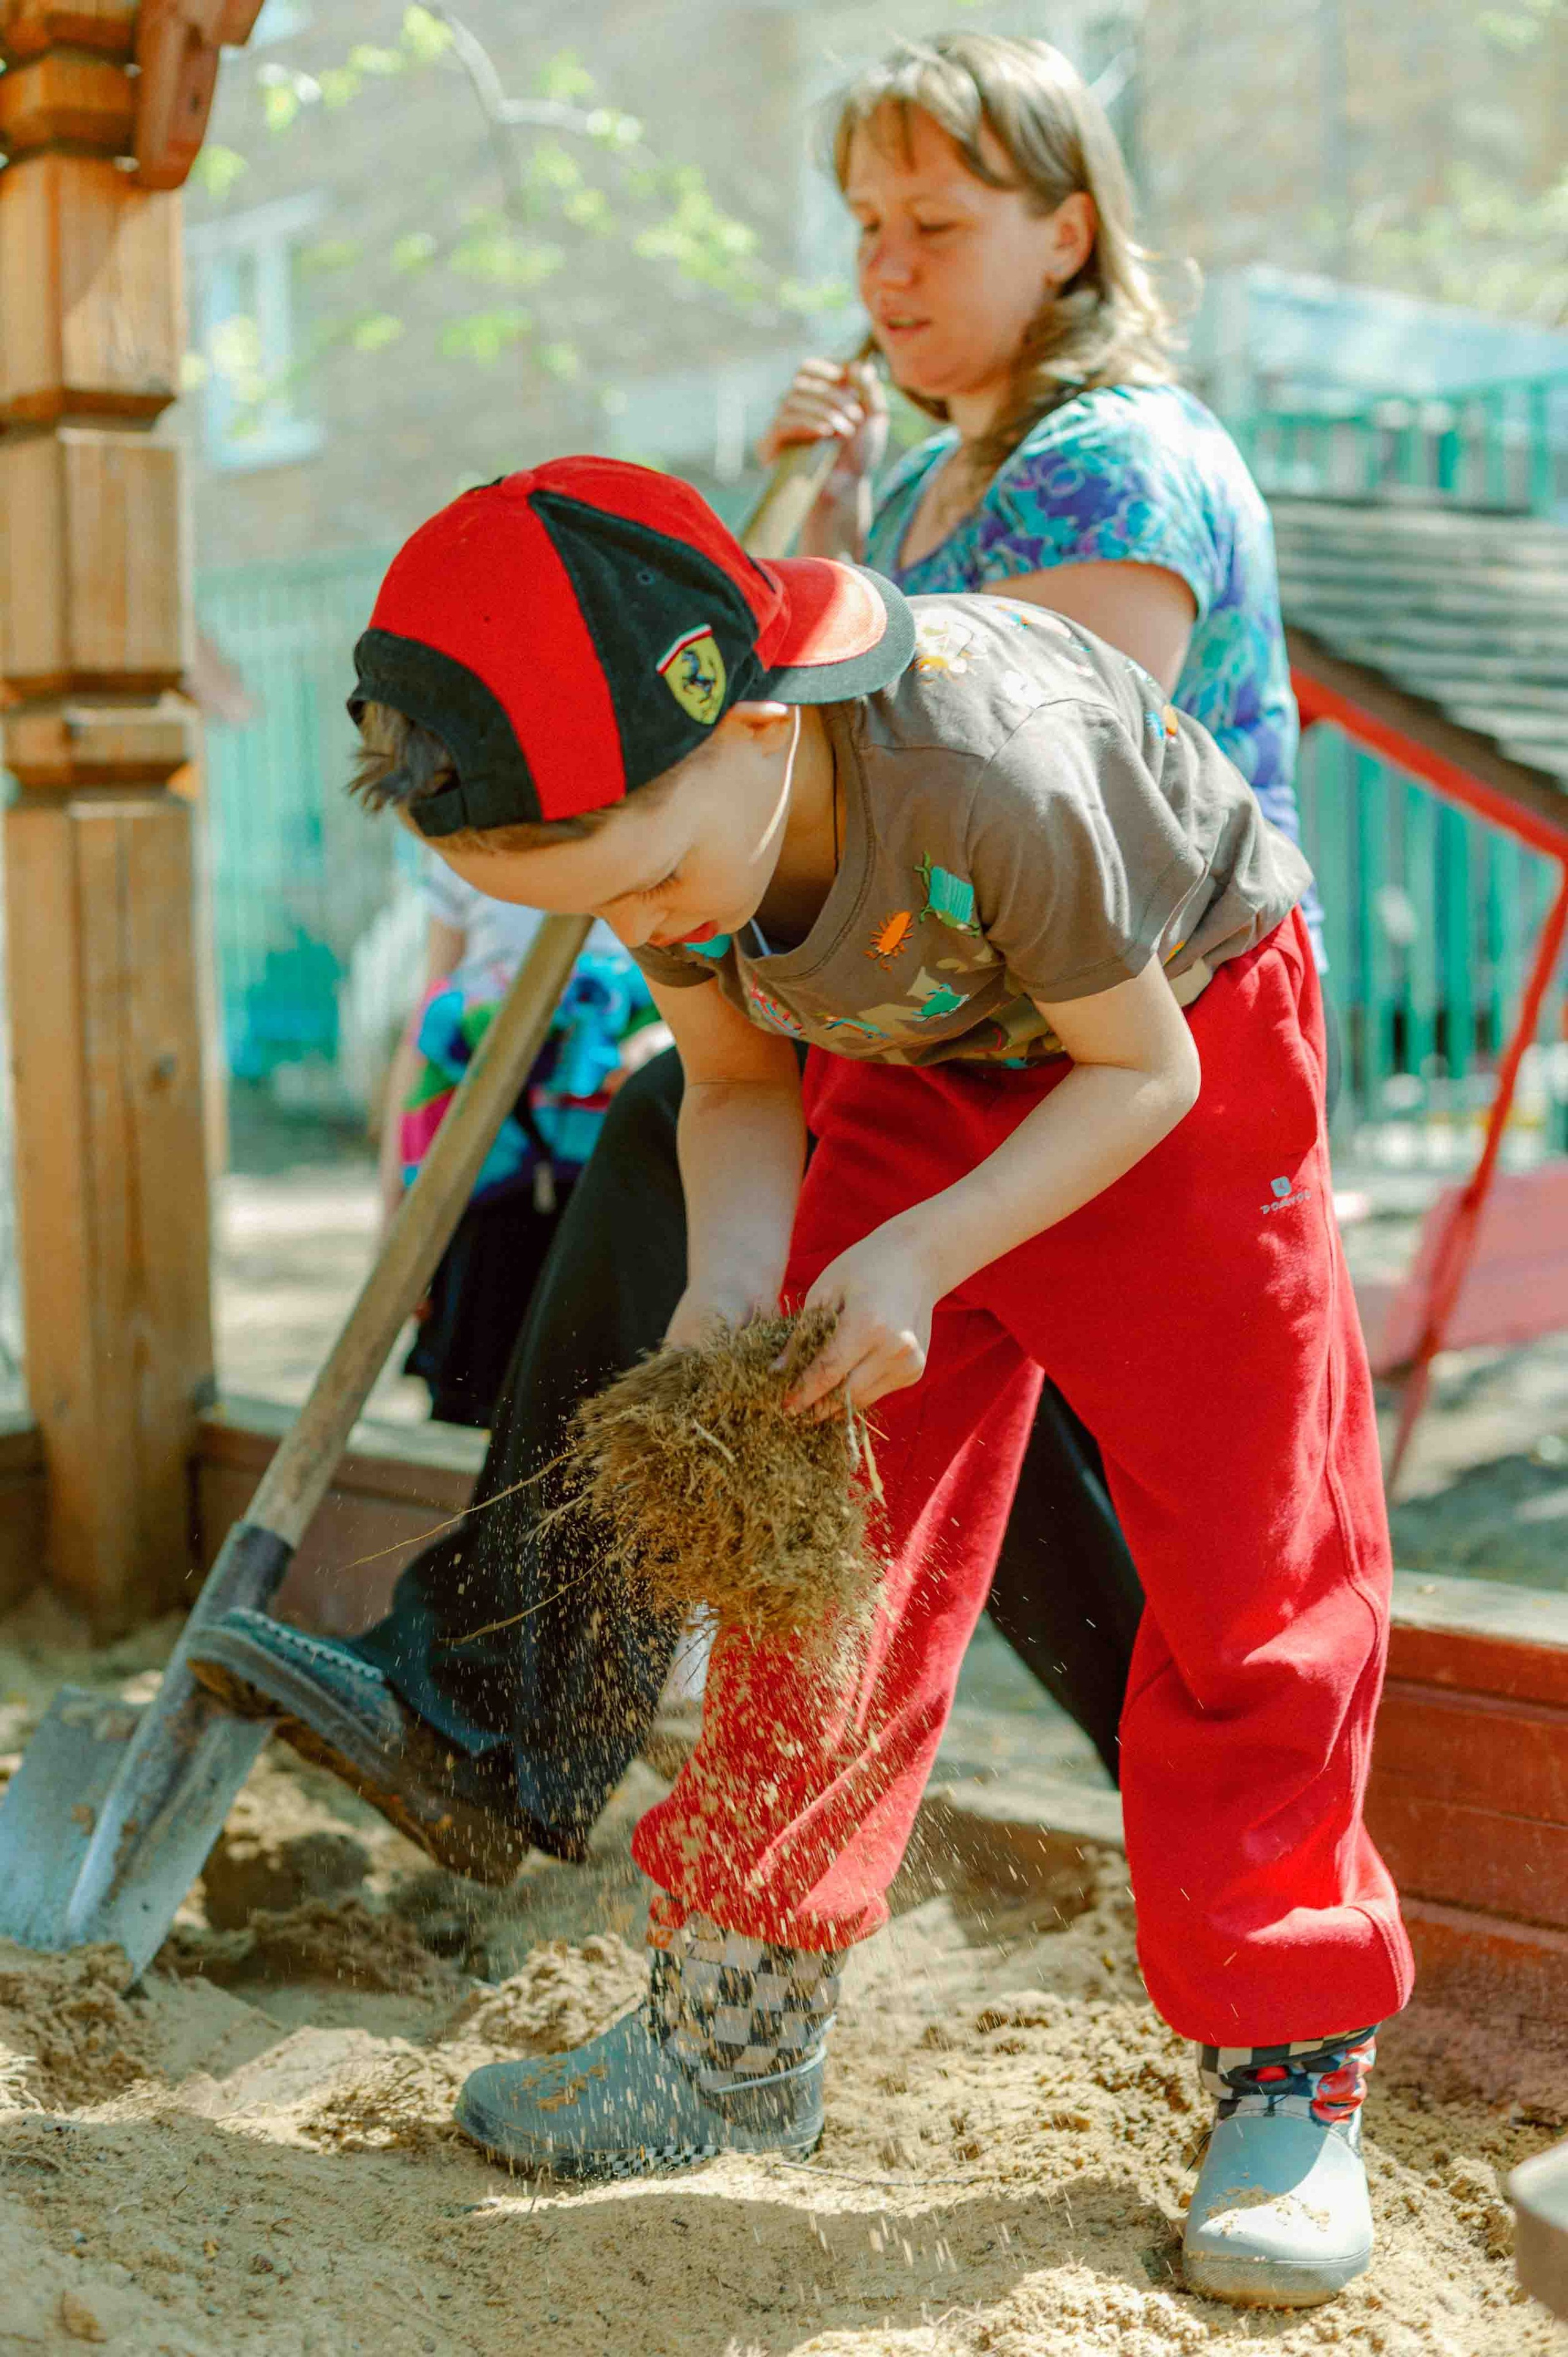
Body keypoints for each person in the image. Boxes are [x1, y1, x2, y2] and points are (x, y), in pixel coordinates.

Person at [191, 453, 1411, 2307]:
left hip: (1171, 1045)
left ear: (763, 717)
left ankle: (1287, 2061)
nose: (657, 912)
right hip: (907, 1071)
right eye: (614, 900)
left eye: (663, 874)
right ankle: (736, 2034)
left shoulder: (985, 763)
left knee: (1252, 1563)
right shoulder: (658, 821)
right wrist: (728, 1296)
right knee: (818, 1557)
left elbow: (1138, 1071)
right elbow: (743, 1087)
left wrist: (928, 1250)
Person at [383, 852, 666, 1425]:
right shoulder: (464, 844)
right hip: (490, 1165)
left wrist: (657, 1050)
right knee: (473, 1396)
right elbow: (427, 1023)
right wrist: (394, 1213)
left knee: (609, 1402)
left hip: (614, 1167)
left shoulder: (650, 825)